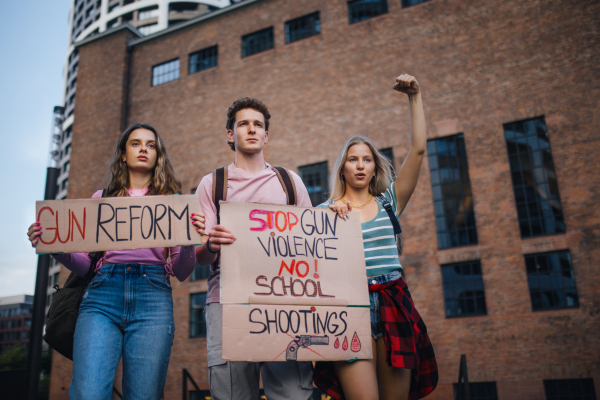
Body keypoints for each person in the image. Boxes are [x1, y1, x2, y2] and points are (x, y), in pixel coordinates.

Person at [27, 123, 204, 400]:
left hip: (153, 298)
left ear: (158, 155)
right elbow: (85, 265)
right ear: (123, 154)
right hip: (101, 296)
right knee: (88, 393)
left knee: (144, 395)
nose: (143, 149)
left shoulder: (173, 204)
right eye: (135, 143)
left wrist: (191, 243)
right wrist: (54, 247)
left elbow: (182, 272)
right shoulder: (102, 198)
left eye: (150, 144)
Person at [313, 75, 438, 400]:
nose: (360, 165)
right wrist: (329, 219)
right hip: (346, 307)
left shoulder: (389, 202)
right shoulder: (323, 212)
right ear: (342, 167)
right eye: (352, 159)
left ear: (373, 167)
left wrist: (415, 96)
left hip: (392, 301)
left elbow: (420, 149)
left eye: (366, 159)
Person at [195, 97, 315, 400]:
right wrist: (211, 243)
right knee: (233, 394)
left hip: (285, 304)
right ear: (230, 134)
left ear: (266, 135)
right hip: (227, 302)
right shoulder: (212, 184)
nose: (251, 129)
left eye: (258, 125)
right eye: (243, 124)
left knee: (294, 394)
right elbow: (199, 256)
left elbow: (314, 245)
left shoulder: (290, 182)